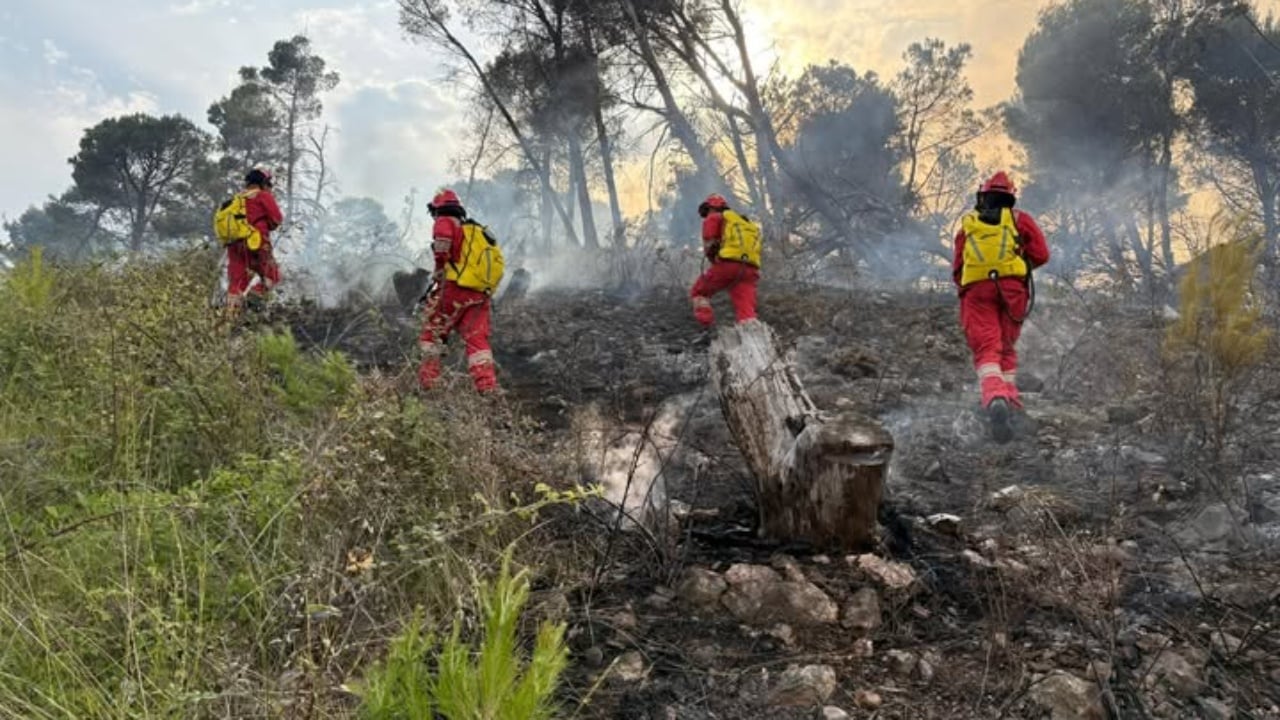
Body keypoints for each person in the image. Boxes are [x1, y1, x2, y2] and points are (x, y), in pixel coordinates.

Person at [952, 171, 1050, 443]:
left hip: (977, 291)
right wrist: (1017, 266)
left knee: (987, 349)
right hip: (1012, 290)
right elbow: (1042, 254)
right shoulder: (1021, 220)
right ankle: (1011, 401)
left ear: (983, 196)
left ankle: (995, 396)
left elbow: (958, 267)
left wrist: (970, 288)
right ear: (1010, 197)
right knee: (1006, 347)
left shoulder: (968, 225)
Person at [417, 189, 501, 394]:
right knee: (477, 340)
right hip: (480, 294)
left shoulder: (445, 220)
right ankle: (487, 386)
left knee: (433, 334)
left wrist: (438, 269)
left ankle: (429, 384)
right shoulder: (477, 231)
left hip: (454, 290)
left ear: (437, 209)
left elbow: (443, 243)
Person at [689, 194, 762, 327]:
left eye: (707, 211)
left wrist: (714, 261)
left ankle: (706, 326)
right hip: (750, 269)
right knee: (746, 312)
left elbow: (710, 244)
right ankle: (754, 339)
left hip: (729, 265)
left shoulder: (714, 217)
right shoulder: (744, 221)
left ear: (711, 208)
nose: (706, 215)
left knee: (699, 291)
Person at [226, 167, 283, 313]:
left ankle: (229, 318)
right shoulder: (263, 196)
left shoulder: (236, 199)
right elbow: (276, 219)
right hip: (257, 243)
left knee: (237, 283)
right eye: (269, 184)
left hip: (234, 245)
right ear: (263, 183)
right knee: (272, 275)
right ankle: (252, 302)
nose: (270, 188)